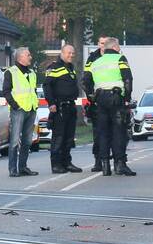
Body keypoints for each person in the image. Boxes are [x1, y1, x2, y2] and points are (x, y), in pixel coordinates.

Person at [84, 37, 135, 176]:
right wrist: (127, 99)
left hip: (100, 100)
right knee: (118, 132)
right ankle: (120, 165)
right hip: (116, 99)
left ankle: (105, 166)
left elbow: (86, 81)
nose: (119, 49)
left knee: (103, 133)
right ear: (114, 47)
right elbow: (128, 79)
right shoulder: (120, 58)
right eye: (118, 47)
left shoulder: (95, 62)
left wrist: (91, 97)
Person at [43, 44, 82, 174]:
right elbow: (47, 86)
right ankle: (56, 164)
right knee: (58, 137)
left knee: (69, 137)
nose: (71, 55)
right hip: (59, 106)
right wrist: (51, 103)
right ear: (62, 53)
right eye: (69, 53)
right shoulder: (54, 67)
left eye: (73, 53)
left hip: (70, 105)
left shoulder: (70, 68)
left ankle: (67, 162)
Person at [3, 47, 39, 178]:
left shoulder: (32, 73)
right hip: (18, 110)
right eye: (28, 55)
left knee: (27, 141)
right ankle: (13, 169)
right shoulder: (10, 72)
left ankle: (23, 167)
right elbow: (6, 91)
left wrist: (36, 105)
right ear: (20, 57)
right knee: (14, 141)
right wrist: (15, 106)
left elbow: (33, 90)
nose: (30, 57)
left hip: (31, 109)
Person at [82, 36, 109, 172]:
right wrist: (91, 97)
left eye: (106, 43)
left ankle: (116, 160)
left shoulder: (115, 56)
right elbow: (86, 78)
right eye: (101, 43)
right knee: (98, 133)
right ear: (98, 44)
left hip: (112, 100)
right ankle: (98, 160)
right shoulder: (92, 58)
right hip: (97, 101)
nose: (103, 46)